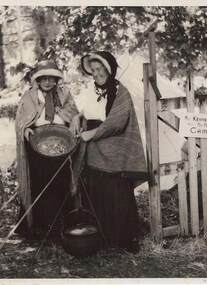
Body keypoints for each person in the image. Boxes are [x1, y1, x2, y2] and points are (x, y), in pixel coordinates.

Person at [70, 51, 147, 252]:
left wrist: (92, 134)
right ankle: (102, 238)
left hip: (115, 150)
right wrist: (78, 118)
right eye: (93, 70)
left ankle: (124, 239)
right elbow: (87, 111)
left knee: (117, 193)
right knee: (97, 192)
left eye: (101, 69)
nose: (97, 73)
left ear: (109, 69)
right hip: (94, 151)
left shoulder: (121, 92)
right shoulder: (90, 91)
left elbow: (117, 122)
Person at [15, 60, 78, 239]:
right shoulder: (29, 97)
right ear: (38, 80)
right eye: (44, 79)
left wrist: (73, 122)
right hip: (38, 147)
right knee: (40, 184)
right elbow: (21, 120)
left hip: (62, 146)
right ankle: (40, 228)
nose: (48, 82)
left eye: (52, 78)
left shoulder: (65, 94)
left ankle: (61, 226)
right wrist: (24, 129)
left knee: (60, 183)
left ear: (57, 79)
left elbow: (75, 116)